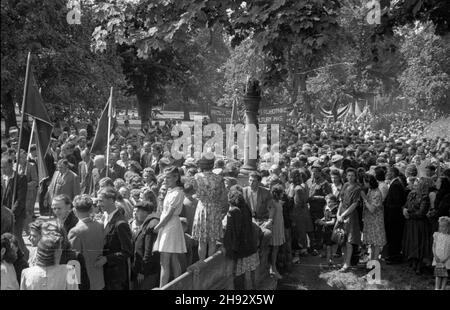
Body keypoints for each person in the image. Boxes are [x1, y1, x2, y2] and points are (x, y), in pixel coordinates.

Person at [153, 166, 186, 287]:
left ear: (176, 177)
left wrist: (158, 226)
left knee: (165, 261)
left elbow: (169, 214)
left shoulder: (177, 192)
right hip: (169, 225)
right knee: (172, 259)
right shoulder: (171, 191)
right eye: (164, 177)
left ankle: (163, 287)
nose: (165, 180)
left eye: (168, 178)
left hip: (170, 226)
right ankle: (178, 285)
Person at [95, 187, 133, 290]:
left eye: (101, 201)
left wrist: (107, 259)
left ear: (111, 200)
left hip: (116, 277)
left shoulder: (120, 223)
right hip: (105, 273)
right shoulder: (105, 217)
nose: (98, 204)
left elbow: (127, 251)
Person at [223, 185, 259, 290]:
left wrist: (227, 247)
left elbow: (231, 232)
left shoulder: (233, 211)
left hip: (240, 249)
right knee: (249, 274)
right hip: (249, 246)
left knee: (237, 276)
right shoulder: (246, 207)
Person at [192, 156, 227, 260]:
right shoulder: (219, 178)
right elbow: (223, 195)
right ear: (212, 165)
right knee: (212, 241)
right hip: (215, 208)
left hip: (202, 208)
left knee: (202, 241)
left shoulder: (197, 177)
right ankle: (210, 265)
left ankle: (202, 263)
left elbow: (194, 192)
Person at [68, 194, 105, 290]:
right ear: (91, 209)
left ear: (74, 211)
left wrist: (70, 283)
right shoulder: (100, 225)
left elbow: (72, 260)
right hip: (99, 278)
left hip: (83, 281)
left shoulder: (75, 231)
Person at [402, 175, 433, 274]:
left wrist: (409, 215)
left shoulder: (425, 197)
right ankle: (413, 262)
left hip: (419, 224)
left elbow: (421, 213)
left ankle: (419, 265)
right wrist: (404, 210)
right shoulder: (411, 194)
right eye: (416, 184)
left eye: (418, 184)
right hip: (410, 223)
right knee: (411, 243)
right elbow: (405, 205)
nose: (416, 185)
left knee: (419, 244)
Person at [1, 156, 28, 259]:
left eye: (5, 167)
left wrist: (11, 214)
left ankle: (24, 256)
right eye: (1, 167)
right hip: (4, 215)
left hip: (16, 215)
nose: (2, 170)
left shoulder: (20, 178)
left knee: (16, 239)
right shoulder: (2, 179)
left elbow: (20, 200)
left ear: (11, 165)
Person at [337, 168, 361, 272]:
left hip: (350, 215)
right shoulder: (345, 185)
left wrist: (343, 214)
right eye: (348, 175)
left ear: (355, 176)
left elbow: (354, 204)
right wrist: (338, 214)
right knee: (341, 238)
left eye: (352, 175)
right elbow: (341, 201)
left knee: (349, 241)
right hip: (341, 213)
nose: (350, 177)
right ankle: (343, 261)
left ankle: (347, 263)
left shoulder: (357, 188)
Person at [131, 201, 160, 290]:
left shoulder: (150, 225)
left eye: (138, 211)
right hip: (142, 269)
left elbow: (148, 251)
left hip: (147, 272)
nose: (136, 213)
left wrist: (142, 271)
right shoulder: (146, 224)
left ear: (145, 213)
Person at [287, 169, 312, 260]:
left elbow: (298, 204)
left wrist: (292, 217)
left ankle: (302, 250)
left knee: (300, 232)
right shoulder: (294, 186)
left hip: (298, 214)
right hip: (298, 213)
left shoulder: (297, 189)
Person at [384, 167, 407, 264]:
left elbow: (397, 202)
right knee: (393, 237)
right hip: (394, 216)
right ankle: (392, 255)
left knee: (394, 237)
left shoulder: (396, 185)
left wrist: (387, 207)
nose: (387, 173)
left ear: (393, 173)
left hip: (394, 217)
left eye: (388, 172)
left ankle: (394, 257)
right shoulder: (395, 183)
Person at [308, 162, 332, 255]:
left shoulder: (324, 183)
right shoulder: (311, 182)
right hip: (312, 209)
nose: (314, 174)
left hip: (320, 209)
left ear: (320, 172)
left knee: (319, 229)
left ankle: (319, 247)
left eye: (315, 172)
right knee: (312, 229)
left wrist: (316, 197)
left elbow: (328, 197)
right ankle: (313, 246)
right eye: (312, 172)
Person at [361, 174, 386, 262]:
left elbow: (372, 209)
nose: (364, 184)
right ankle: (372, 261)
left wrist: (364, 199)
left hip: (376, 221)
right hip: (371, 220)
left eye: (365, 182)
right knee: (372, 243)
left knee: (376, 243)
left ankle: (375, 261)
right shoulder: (371, 190)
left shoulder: (376, 193)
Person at [316, 194, 338, 266]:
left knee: (329, 246)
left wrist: (324, 223)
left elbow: (333, 222)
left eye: (330, 202)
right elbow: (325, 217)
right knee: (326, 245)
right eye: (327, 202)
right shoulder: (326, 208)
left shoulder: (334, 210)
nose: (328, 204)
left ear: (334, 202)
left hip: (331, 231)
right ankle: (330, 260)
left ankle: (328, 261)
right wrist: (320, 220)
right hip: (325, 230)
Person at [269, 184, 285, 280]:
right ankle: (273, 268)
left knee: (276, 249)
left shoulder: (277, 202)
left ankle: (273, 267)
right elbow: (271, 216)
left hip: (279, 227)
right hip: (275, 229)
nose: (283, 194)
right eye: (282, 193)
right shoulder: (272, 203)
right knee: (274, 249)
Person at [432, 216, 450, 290]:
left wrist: (446, 258)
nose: (442, 228)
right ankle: (437, 288)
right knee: (438, 274)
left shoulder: (449, 237)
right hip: (438, 258)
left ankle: (442, 288)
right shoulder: (437, 235)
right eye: (440, 226)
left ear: (448, 227)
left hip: (446, 259)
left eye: (444, 227)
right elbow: (433, 246)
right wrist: (435, 255)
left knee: (445, 275)